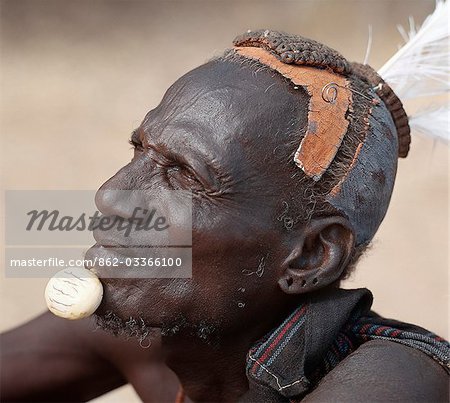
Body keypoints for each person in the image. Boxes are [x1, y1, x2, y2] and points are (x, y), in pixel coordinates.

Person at [1, 30, 449, 402]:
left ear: (310, 254)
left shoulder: (398, 382)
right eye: (139, 149)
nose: (111, 194)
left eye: (183, 176)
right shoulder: (153, 327)